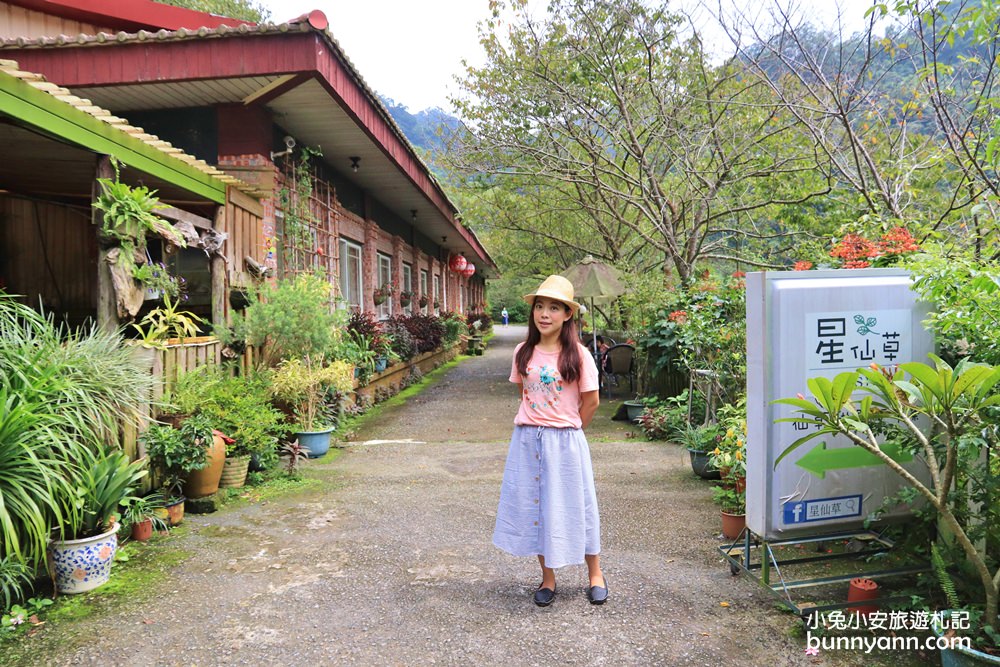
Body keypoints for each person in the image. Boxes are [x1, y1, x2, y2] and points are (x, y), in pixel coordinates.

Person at [493, 275, 608, 607]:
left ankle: (595, 574)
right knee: (537, 507)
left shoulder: (579, 355)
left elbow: (591, 401)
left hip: (566, 442)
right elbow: (525, 394)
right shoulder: (522, 352)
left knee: (580, 506)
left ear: (567, 314)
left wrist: (570, 430)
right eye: (540, 307)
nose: (544, 314)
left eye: (553, 308)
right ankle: (548, 578)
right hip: (528, 441)